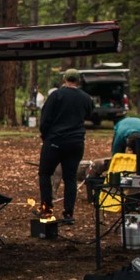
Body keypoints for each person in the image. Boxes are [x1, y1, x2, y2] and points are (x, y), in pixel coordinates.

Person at [38, 69, 94, 224]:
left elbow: (45, 119)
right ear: (78, 81)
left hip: (55, 141)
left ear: (64, 79)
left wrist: (45, 136)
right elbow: (89, 114)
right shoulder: (85, 98)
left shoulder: (56, 95)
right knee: (70, 178)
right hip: (76, 143)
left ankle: (46, 210)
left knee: (45, 174)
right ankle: (68, 213)